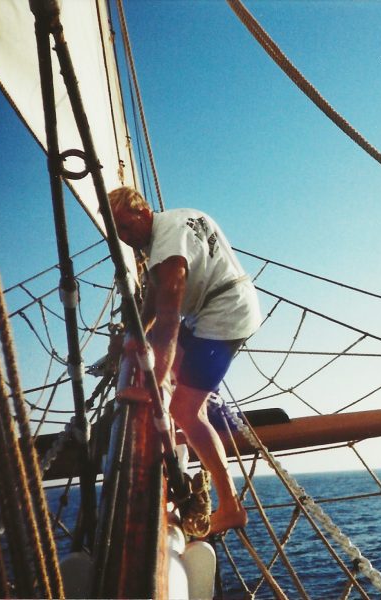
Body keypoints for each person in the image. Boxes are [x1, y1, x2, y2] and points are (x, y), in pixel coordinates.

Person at [108, 186, 261, 534]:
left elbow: (167, 318)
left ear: (143, 211)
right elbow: (151, 304)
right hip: (221, 304)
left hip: (224, 313)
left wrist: (150, 387)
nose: (125, 238)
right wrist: (134, 337)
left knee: (183, 410)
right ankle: (196, 420)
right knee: (179, 379)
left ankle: (231, 506)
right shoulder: (172, 224)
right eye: (117, 233)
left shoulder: (166, 248)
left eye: (126, 227)